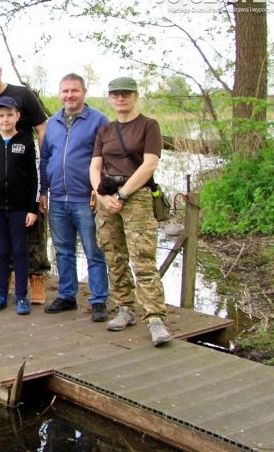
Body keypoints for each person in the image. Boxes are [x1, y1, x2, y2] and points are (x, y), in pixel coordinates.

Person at [89, 77, 173, 346]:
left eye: (126, 94)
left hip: (137, 197)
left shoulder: (149, 126)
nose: (120, 98)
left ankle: (155, 318)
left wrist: (123, 194)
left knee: (143, 258)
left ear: (136, 96)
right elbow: (94, 167)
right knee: (114, 256)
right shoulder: (106, 130)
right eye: (115, 94)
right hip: (108, 197)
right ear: (110, 98)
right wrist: (102, 197)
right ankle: (124, 308)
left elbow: (149, 165)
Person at [0, 54, 50, 304]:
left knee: (32, 232)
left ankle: (35, 278)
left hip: (23, 176)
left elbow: (42, 126)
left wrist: (43, 165)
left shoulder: (23, 95)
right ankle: (1, 281)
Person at [39, 73, 110, 322]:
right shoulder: (53, 122)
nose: (69, 95)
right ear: (60, 94)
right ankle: (67, 295)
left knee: (94, 250)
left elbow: (107, 161)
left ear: (84, 92)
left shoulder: (99, 121)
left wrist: (100, 193)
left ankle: (99, 299)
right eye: (65, 91)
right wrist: (43, 191)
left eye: (74, 90)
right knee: (63, 251)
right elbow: (45, 158)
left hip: (86, 199)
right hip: (57, 198)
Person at [0, 97, 39, 314]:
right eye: (1, 115)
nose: (5, 119)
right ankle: (1, 294)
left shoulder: (26, 142)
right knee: (0, 251)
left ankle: (21, 296)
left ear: (17, 116)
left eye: (9, 114)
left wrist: (33, 207)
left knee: (20, 250)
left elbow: (34, 177)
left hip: (20, 208)